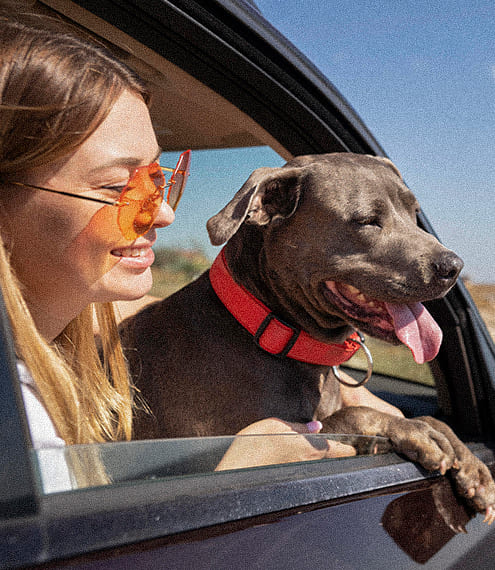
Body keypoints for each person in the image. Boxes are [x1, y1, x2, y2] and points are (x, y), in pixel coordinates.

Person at [0, 14, 402, 486]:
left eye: (157, 179)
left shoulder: (53, 347)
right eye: (115, 187)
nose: (164, 215)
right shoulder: (16, 409)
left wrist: (331, 372)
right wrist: (230, 480)